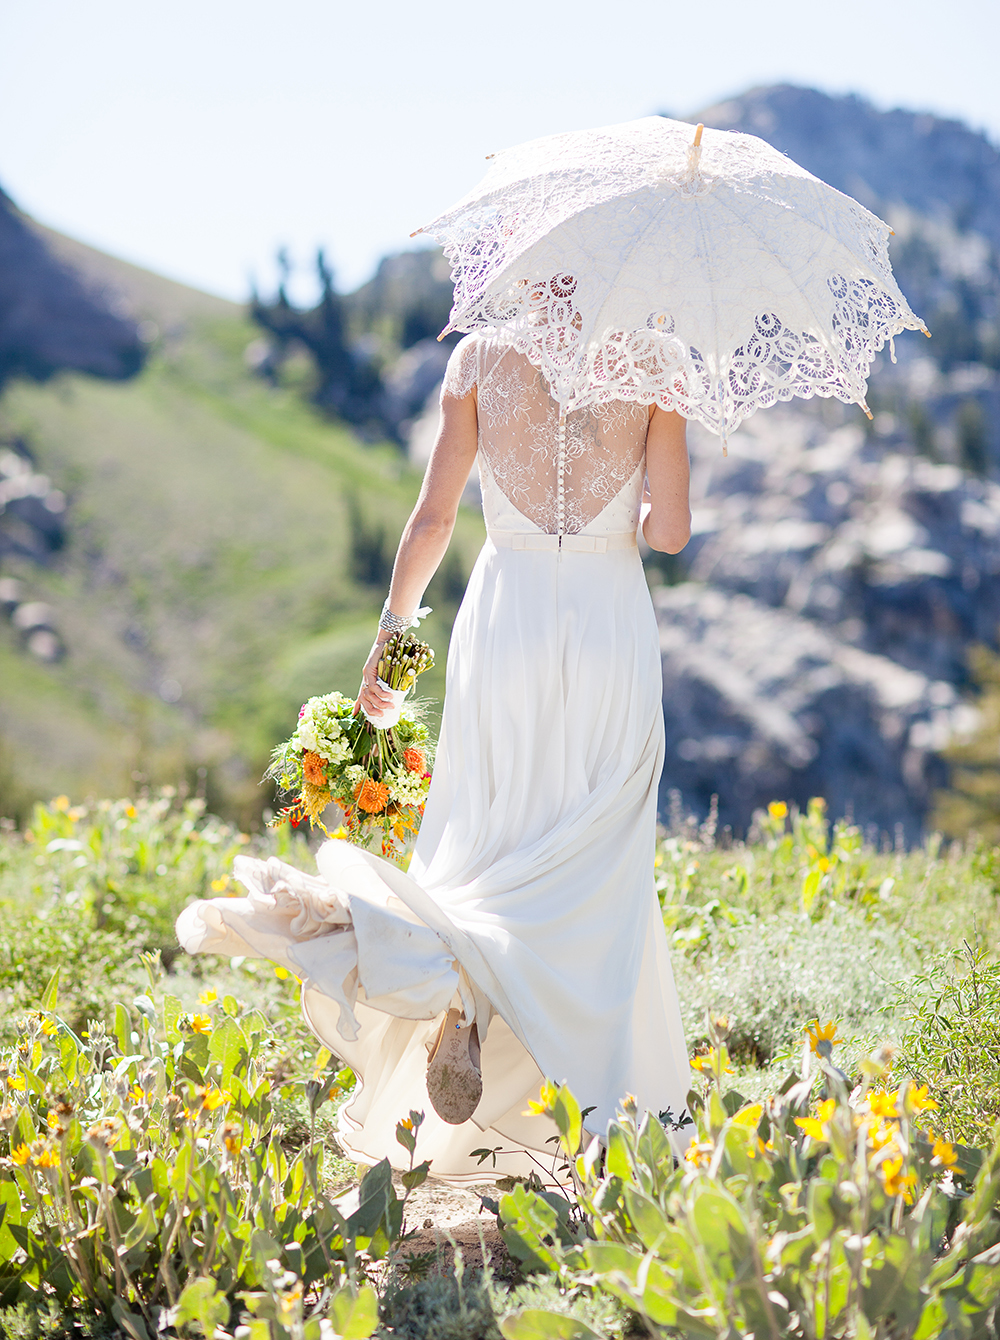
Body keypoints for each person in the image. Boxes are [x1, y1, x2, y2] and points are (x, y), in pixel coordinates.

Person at [177, 332, 693, 1184]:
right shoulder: (655, 360)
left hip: (507, 621)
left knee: (486, 850)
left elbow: (435, 520)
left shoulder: (481, 359)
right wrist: (631, 501)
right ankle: (603, 1120)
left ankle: (435, 968)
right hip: (608, 623)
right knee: (597, 871)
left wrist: (391, 648)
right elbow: (668, 533)